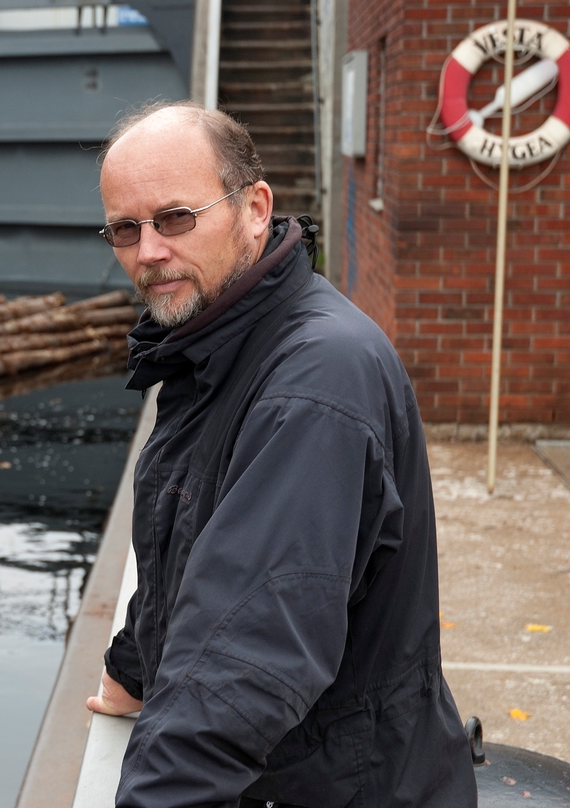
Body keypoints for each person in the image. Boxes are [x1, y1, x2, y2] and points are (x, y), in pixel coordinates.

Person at [85, 101, 477, 806]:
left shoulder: (312, 383)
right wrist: (134, 667)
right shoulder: (220, 342)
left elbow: (244, 655)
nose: (147, 252)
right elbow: (192, 544)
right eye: (125, 228)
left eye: (175, 218)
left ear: (255, 207)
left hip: (338, 787)